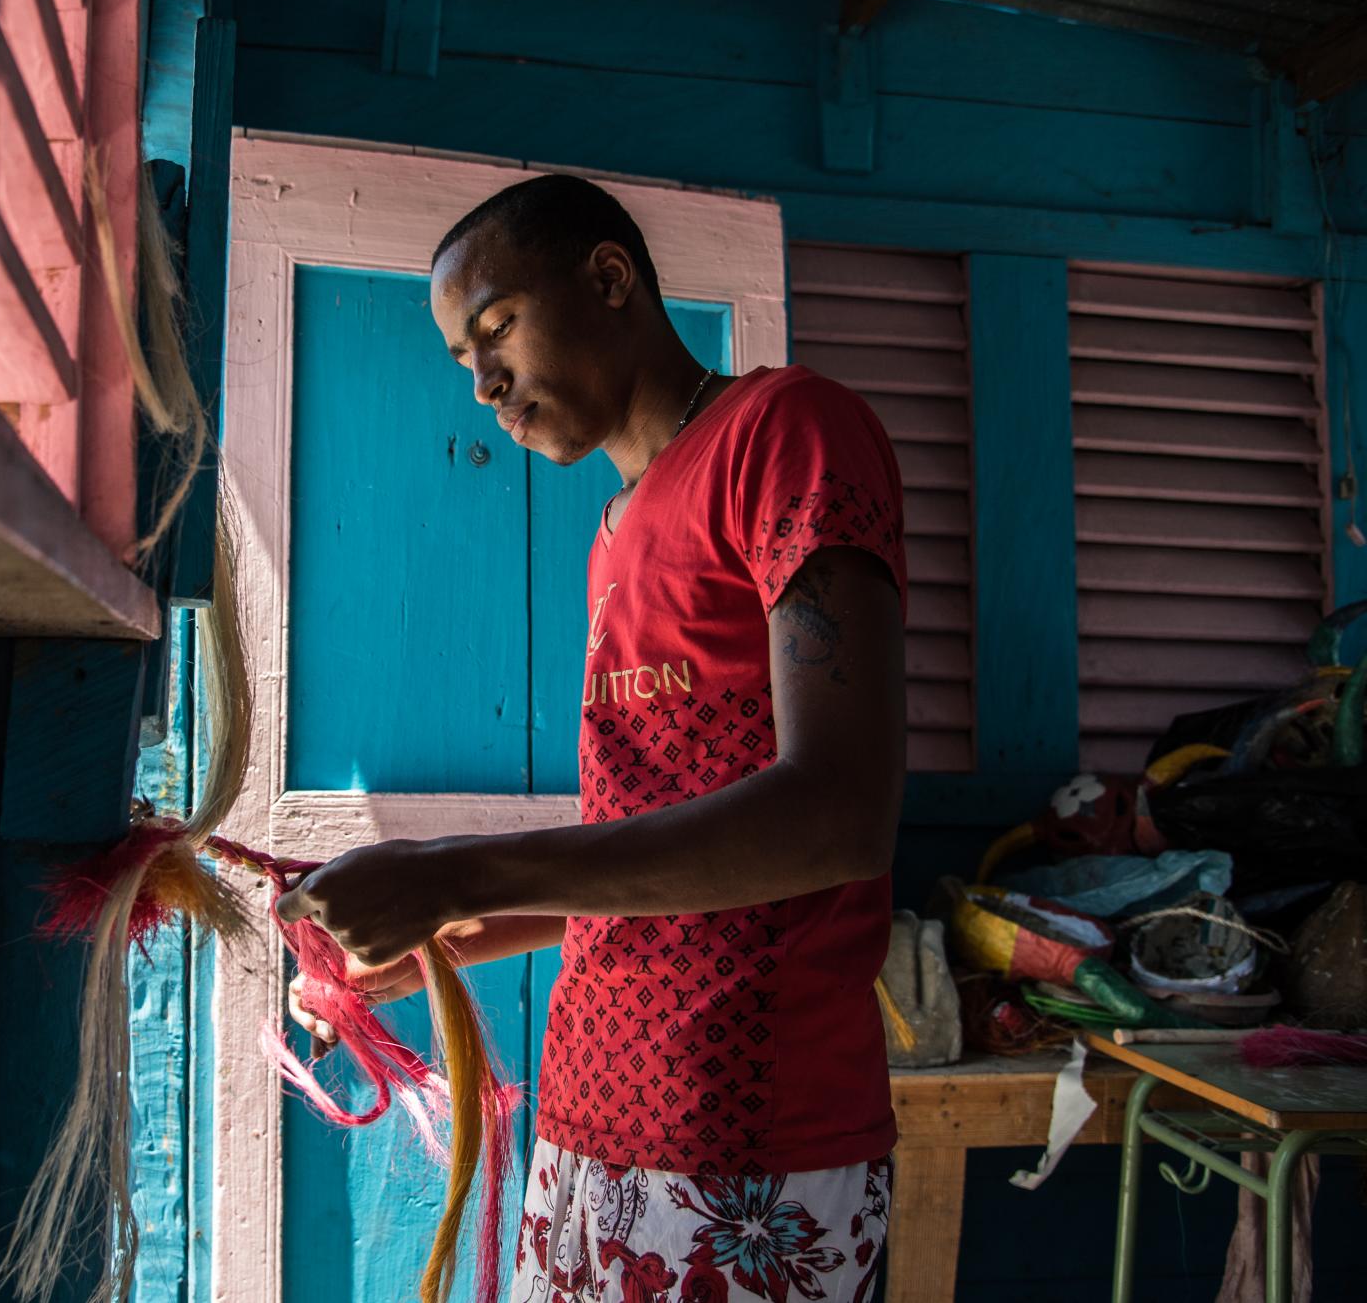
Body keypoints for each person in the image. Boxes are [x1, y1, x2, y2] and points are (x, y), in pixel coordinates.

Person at [276, 174, 907, 1303]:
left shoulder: (784, 432)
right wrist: (427, 941)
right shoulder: (615, 531)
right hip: (591, 1123)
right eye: (462, 360)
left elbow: (838, 812)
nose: (483, 383)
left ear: (610, 277)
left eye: (497, 327)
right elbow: (651, 868)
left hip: (743, 1146)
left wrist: (453, 873)